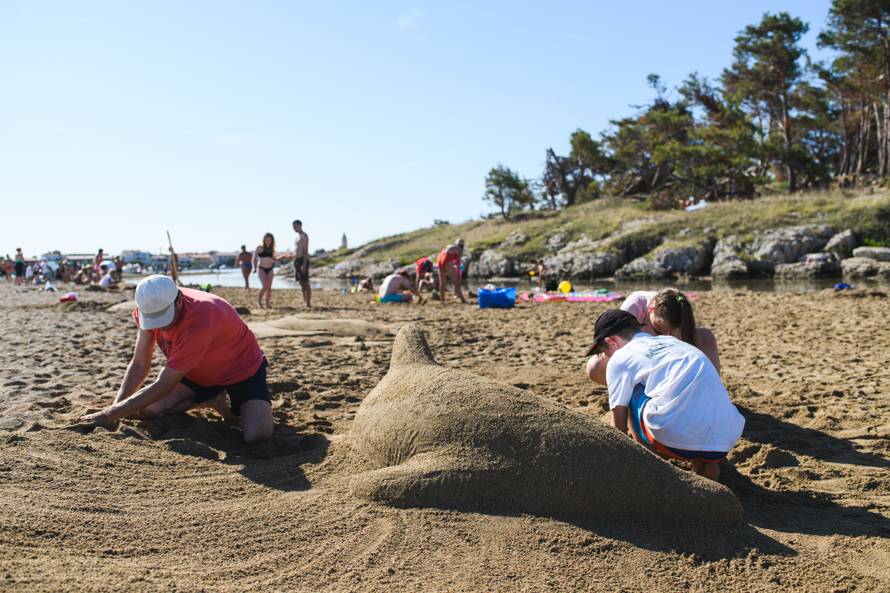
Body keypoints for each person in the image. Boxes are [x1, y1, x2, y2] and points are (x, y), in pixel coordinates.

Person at [77, 275, 274, 444]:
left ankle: (227, 402)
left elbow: (163, 385)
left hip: (242, 370)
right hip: (196, 373)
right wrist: (115, 410)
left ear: (179, 299)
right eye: (154, 319)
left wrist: (108, 414)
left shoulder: (201, 318)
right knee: (148, 410)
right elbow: (139, 363)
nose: (160, 327)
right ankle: (212, 400)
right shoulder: (148, 306)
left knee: (256, 435)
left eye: (164, 317)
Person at [586, 309, 744, 481]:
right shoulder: (672, 342)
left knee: (630, 390)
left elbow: (619, 424)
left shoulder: (621, 357)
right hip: (724, 438)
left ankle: (648, 464)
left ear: (612, 341)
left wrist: (617, 462)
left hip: (673, 437)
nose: (607, 357)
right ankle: (708, 466)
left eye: (605, 352)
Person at [586, 288, 719, 386]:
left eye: (670, 331)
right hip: (642, 360)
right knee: (595, 366)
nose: (666, 335)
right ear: (651, 308)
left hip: (669, 362)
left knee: (707, 337)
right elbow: (621, 351)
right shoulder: (637, 304)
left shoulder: (679, 308)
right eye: (659, 330)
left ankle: (714, 387)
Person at [437, 239, 467, 303]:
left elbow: (447, 253)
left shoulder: (450, 246)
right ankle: (462, 299)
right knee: (456, 282)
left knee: (442, 282)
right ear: (462, 246)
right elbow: (458, 263)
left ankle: (442, 300)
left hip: (439, 258)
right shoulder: (459, 250)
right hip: (446, 258)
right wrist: (458, 274)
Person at [291, 219, 311, 308]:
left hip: (303, 260)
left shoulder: (304, 236)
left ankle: (308, 302)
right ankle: (304, 300)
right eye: (293, 226)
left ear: (300, 225)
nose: (294, 228)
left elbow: (305, 251)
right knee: (301, 283)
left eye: (295, 226)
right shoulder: (297, 236)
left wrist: (304, 264)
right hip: (297, 260)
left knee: (305, 282)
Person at [253, 233, 276, 309]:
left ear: (272, 240)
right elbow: (255, 258)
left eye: (270, 239)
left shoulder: (272, 249)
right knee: (264, 286)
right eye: (266, 239)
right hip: (261, 268)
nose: (268, 241)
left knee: (269, 287)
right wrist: (254, 268)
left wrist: (277, 259)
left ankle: (267, 303)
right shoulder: (259, 248)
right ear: (264, 239)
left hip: (270, 268)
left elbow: (273, 259)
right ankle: (259, 302)